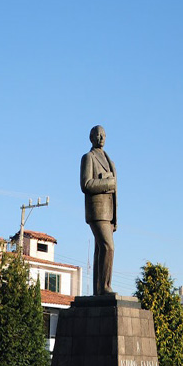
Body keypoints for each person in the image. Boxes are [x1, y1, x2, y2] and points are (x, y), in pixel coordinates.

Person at [80, 125, 117, 295]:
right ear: (91, 137)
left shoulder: (109, 160)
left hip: (109, 213)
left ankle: (98, 290)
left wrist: (115, 219)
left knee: (100, 250)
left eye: (103, 135)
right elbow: (86, 184)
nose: (101, 138)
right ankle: (104, 287)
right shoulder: (88, 158)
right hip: (97, 211)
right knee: (108, 247)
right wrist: (107, 183)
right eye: (98, 135)